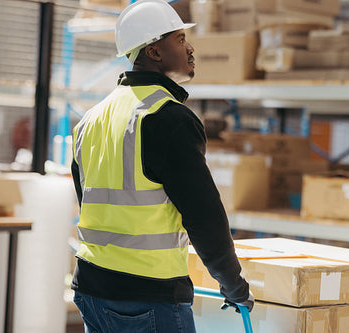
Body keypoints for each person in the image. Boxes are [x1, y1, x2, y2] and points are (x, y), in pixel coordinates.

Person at [70, 0, 253, 332]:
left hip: (91, 291)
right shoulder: (167, 119)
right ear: (154, 52)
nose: (190, 48)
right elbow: (204, 216)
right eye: (180, 40)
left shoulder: (90, 119)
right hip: (147, 296)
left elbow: (89, 200)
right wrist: (233, 284)